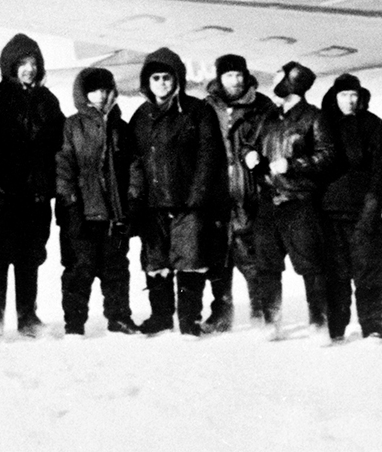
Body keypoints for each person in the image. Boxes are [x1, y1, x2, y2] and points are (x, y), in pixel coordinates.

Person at [129, 47, 226, 337]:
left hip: (189, 203)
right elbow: (135, 163)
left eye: (167, 77)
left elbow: (209, 157)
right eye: (155, 78)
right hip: (153, 205)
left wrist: (197, 197)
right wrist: (137, 199)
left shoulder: (197, 111)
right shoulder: (141, 116)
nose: (161, 83)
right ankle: (160, 317)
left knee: (190, 262)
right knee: (156, 262)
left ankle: (188, 319)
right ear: (147, 82)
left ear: (177, 79)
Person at [0, 34, 65, 338]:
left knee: (30, 255)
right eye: (22, 63)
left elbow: (58, 145)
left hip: (35, 195)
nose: (28, 69)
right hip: (1, 195)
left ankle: (27, 315)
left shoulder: (47, 101)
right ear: (10, 66)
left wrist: (50, 185)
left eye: (33, 63)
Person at [248, 61, 335, 341]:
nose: (274, 80)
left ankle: (318, 323)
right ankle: (271, 321)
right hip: (268, 201)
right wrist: (250, 156)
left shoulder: (314, 117)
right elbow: (252, 143)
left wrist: (294, 165)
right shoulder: (269, 116)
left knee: (311, 266)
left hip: (300, 202)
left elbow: (328, 155)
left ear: (293, 82)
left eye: (279, 76)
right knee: (266, 266)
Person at [55, 67, 141, 336]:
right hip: (83, 212)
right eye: (95, 91)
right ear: (84, 94)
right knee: (79, 270)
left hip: (115, 214)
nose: (101, 96)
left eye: (106, 90)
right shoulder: (72, 126)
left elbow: (134, 166)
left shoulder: (121, 128)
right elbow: (63, 166)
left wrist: (133, 198)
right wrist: (70, 205)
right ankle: (74, 324)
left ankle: (119, 318)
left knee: (116, 269)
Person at [201, 54, 274, 333]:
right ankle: (222, 311)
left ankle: (261, 309)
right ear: (220, 78)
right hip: (217, 193)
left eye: (240, 74)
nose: (236, 80)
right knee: (218, 258)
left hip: (250, 191)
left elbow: (272, 140)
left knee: (252, 256)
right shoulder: (207, 107)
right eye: (230, 75)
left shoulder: (262, 106)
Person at [319, 74, 382, 342]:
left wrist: (371, 210)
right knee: (335, 275)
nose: (349, 101)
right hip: (329, 214)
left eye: (354, 95)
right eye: (343, 95)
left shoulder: (376, 127)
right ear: (334, 96)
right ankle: (336, 326)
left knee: (369, 274)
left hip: (364, 213)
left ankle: (372, 326)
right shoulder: (322, 124)